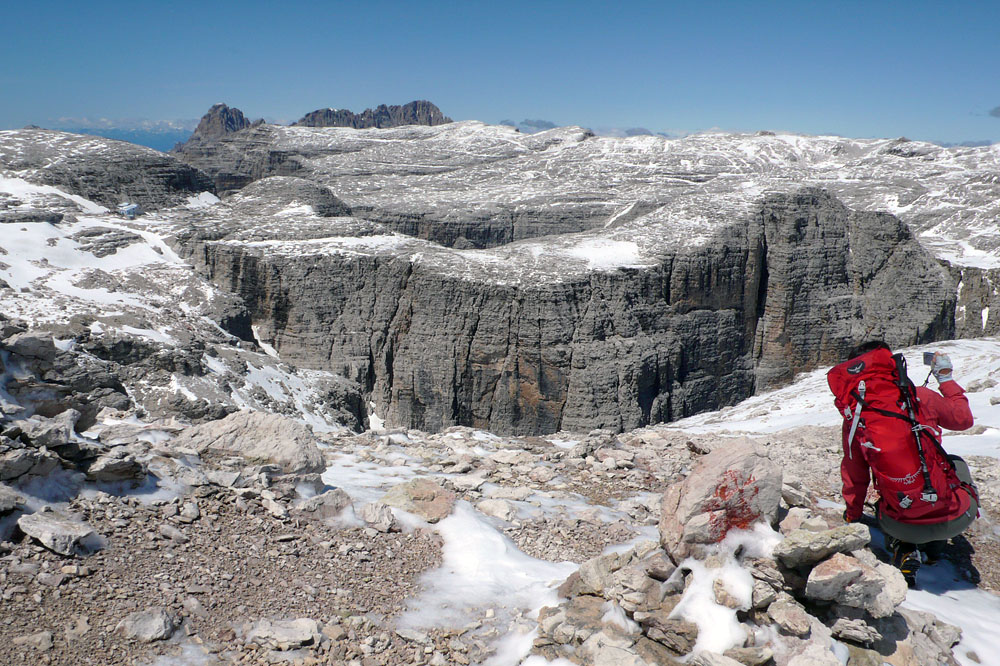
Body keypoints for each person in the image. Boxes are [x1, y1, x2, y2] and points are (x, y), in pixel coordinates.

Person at [828, 341, 978, 587]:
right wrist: (946, 379)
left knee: (888, 498)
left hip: (900, 525)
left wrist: (852, 516)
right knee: (956, 464)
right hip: (958, 518)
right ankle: (937, 547)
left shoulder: (858, 419)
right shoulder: (922, 396)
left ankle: (903, 546)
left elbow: (856, 475)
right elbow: (963, 419)